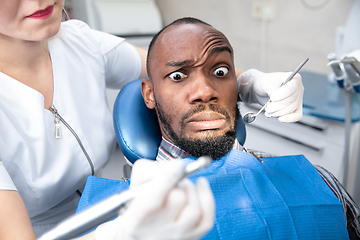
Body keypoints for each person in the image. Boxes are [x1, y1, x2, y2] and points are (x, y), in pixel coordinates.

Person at [0, 0, 304, 238]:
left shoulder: (80, 43)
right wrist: (121, 235)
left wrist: (253, 83)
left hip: (106, 203)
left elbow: (178, 65)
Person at [77, 17, 360, 239]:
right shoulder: (109, 223)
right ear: (149, 95)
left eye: (220, 71)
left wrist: (254, 82)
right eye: (178, 75)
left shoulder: (319, 183)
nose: (205, 90)